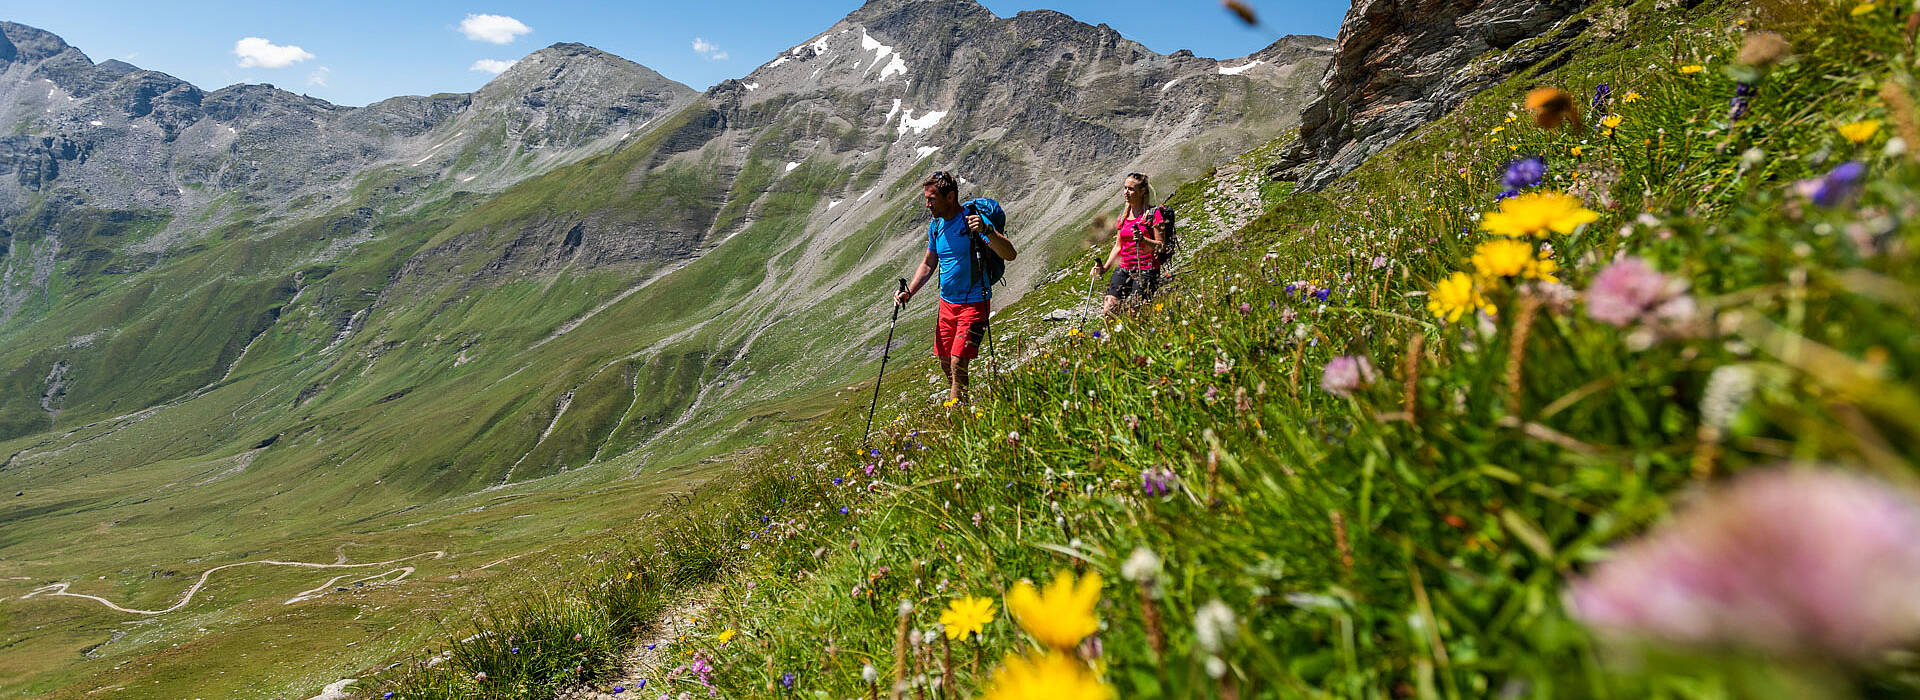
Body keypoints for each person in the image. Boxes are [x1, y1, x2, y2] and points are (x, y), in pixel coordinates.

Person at [894, 171, 1017, 405]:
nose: (927, 204)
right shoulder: (936, 226)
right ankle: (965, 402)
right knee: (944, 360)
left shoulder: (973, 221)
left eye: (932, 199)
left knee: (957, 363)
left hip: (974, 303)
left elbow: (1010, 254)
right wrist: (909, 291)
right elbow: (929, 263)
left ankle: (956, 418)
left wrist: (987, 231)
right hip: (947, 304)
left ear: (950, 197)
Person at [1089, 172, 1164, 316]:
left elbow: (1161, 245)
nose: (1126, 192)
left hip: (1146, 269)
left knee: (1135, 311)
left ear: (1142, 191)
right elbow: (1118, 246)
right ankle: (1114, 336)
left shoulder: (1154, 214)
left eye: (1131, 189)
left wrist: (1143, 239)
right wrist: (1104, 268)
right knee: (1109, 308)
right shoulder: (1124, 215)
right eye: (1125, 188)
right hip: (1124, 267)